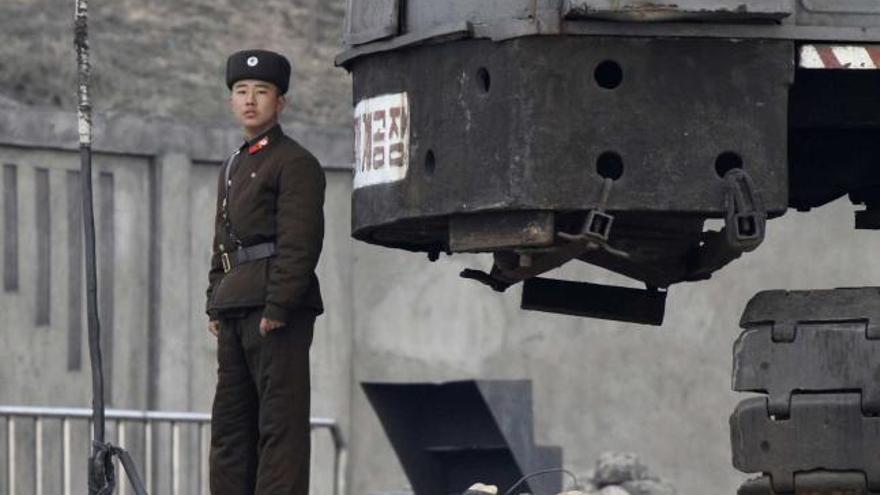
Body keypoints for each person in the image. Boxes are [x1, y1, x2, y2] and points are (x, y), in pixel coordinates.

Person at [205, 48, 325, 495]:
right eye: (241, 91)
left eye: (261, 91)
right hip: (235, 304)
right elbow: (223, 240)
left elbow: (301, 240)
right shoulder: (235, 163)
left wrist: (279, 304)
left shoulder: (295, 162)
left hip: (275, 307)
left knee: (280, 425)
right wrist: (213, 300)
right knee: (231, 427)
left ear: (281, 102)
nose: (250, 100)